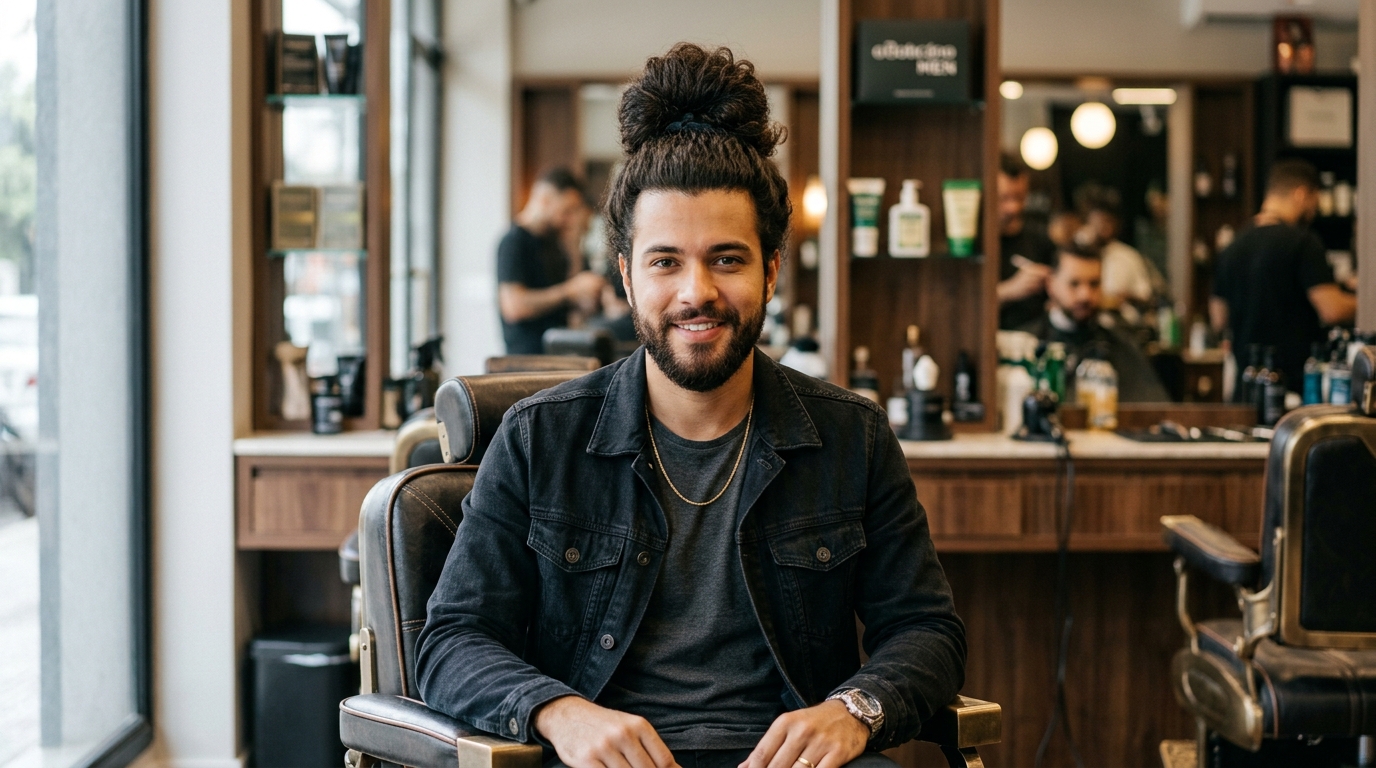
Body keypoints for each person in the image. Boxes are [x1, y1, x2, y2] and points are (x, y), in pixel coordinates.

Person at [417, 44, 965, 768]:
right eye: (665, 261)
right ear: (625, 275)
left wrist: (853, 710)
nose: (696, 292)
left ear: (770, 270)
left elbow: (928, 630)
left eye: (727, 259)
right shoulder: (537, 437)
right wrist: (560, 712)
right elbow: (452, 640)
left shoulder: (850, 437)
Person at [1211, 158, 1356, 393]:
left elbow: (1219, 319)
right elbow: (1333, 310)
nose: (1314, 210)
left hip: (1246, 386)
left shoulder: (1232, 247)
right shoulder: (1302, 242)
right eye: (1314, 201)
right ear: (1301, 194)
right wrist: (1367, 303)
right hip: (1291, 388)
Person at [1019, 243, 1170, 403]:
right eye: (1074, 284)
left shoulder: (1120, 345)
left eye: (1094, 284)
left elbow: (1152, 408)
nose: (1085, 295)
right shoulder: (1026, 344)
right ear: (1051, 285)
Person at [497, 168, 607, 353]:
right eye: (566, 210)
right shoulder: (514, 242)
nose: (570, 219)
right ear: (545, 200)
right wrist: (570, 290)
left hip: (557, 350)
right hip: (527, 358)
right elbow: (514, 306)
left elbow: (564, 302)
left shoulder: (554, 242)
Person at [996, 153, 1056, 330]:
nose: (1013, 208)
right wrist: (1009, 290)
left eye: (1019, 197)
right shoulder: (975, 242)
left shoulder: (1039, 237)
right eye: (1004, 198)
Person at [1081, 196, 1160, 316]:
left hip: (1120, 324)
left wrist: (1127, 297)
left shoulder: (1128, 256)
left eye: (1108, 221)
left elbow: (1146, 296)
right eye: (1099, 221)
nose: (1103, 226)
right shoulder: (1075, 253)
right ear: (1089, 220)